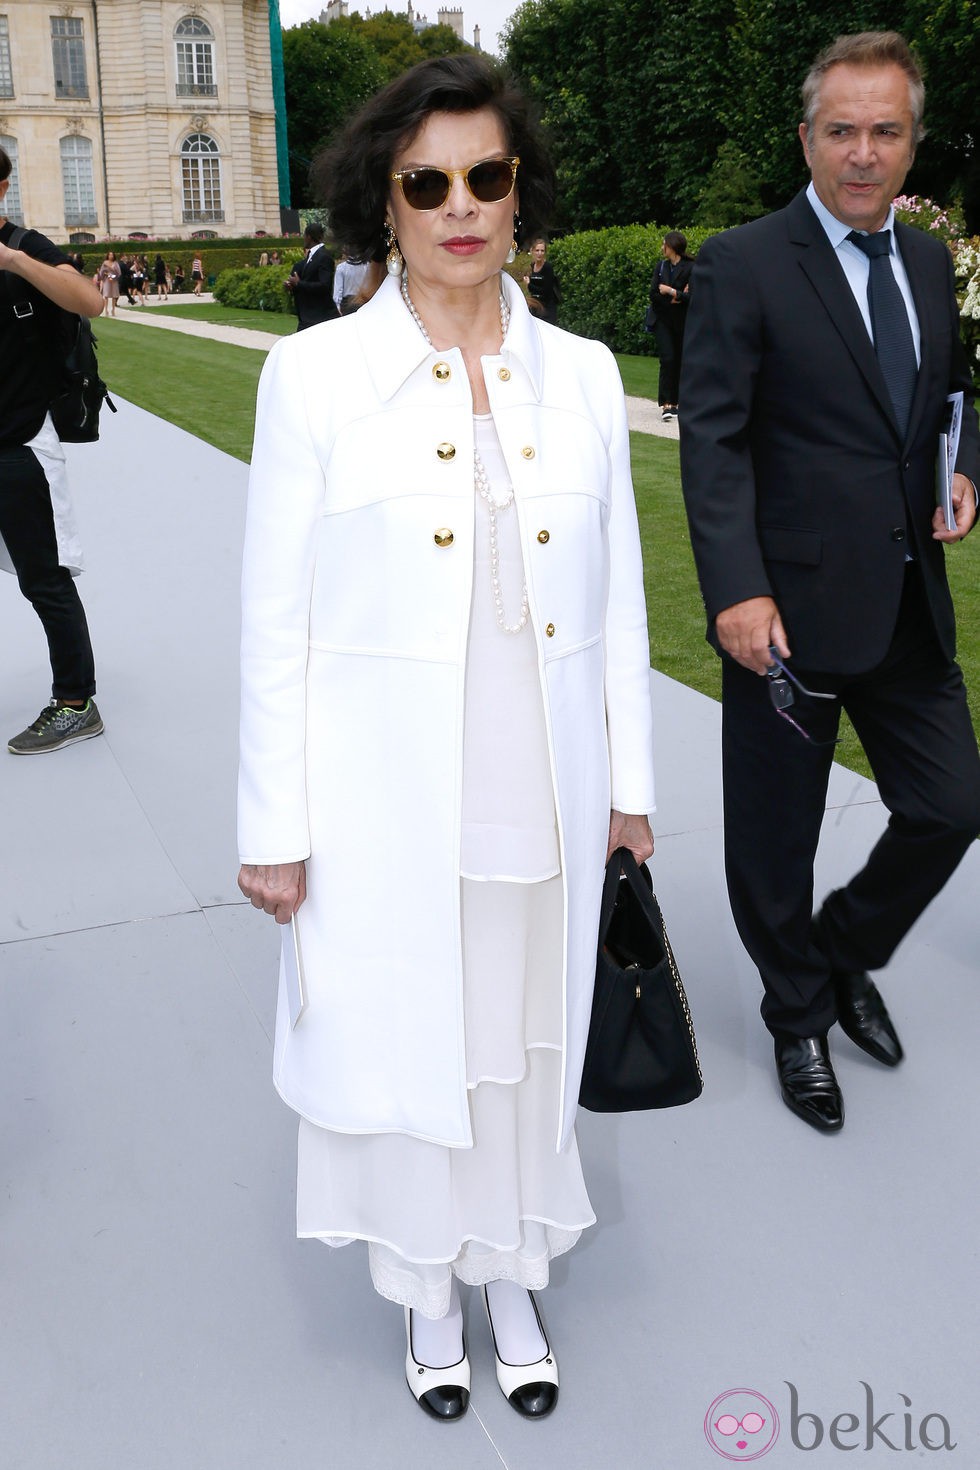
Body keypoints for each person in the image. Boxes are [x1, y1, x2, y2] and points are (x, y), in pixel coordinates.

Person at [238, 54, 655, 1421]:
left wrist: (632, 792)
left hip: (544, 782)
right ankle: (428, 1288)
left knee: (525, 1034)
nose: (462, 205)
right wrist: (273, 830)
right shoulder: (313, 380)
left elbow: (623, 605)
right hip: (382, 799)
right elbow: (275, 625)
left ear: (518, 189)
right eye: (429, 182)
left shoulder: (585, 374)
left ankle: (518, 1269)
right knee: (416, 1034)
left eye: (487, 175)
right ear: (387, 201)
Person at [679, 31, 980, 1134]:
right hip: (784, 615)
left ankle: (841, 951)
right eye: (840, 130)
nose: (861, 153)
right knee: (774, 838)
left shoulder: (924, 263)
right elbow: (711, 440)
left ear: (910, 144)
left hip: (904, 599)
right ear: (805, 137)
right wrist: (734, 589)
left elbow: (946, 399)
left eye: (883, 131)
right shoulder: (742, 261)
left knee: (953, 803)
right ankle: (795, 1012)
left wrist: (962, 465)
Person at [0, 144, 105, 754]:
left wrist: (13, 260)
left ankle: (75, 702)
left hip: (16, 444)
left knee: (44, 579)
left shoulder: (24, 245)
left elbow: (89, 301)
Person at [648, 231, 693, 421]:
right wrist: (674, 298)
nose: (662, 248)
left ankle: (676, 402)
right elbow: (653, 294)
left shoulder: (691, 267)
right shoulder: (661, 266)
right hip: (662, 320)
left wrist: (671, 291)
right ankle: (666, 403)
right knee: (667, 359)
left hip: (682, 322)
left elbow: (692, 297)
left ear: (672, 246)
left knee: (680, 360)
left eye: (664, 244)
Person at [284, 222, 339, 330]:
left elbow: (324, 285)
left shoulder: (323, 256)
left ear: (309, 237)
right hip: (308, 316)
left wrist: (299, 283)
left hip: (319, 316)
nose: (304, 239)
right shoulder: (311, 256)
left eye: (304, 236)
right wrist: (292, 286)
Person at [522, 236, 560, 324]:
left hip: (547, 309)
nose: (540, 253)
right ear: (532, 251)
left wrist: (529, 284)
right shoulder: (531, 266)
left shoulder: (547, 267)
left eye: (542, 251)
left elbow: (546, 291)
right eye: (537, 250)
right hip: (535, 307)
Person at [331, 247, 369, 315]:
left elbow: (338, 290)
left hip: (347, 303)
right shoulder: (366, 266)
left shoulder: (341, 268)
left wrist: (338, 306)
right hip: (362, 300)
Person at [97, 249, 120, 316]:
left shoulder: (115, 263)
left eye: (112, 255)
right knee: (106, 295)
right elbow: (101, 272)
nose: (111, 256)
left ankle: (113, 309)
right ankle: (106, 309)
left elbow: (119, 272)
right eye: (109, 255)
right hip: (107, 279)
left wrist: (112, 270)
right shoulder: (105, 262)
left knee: (114, 295)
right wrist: (103, 274)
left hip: (114, 279)